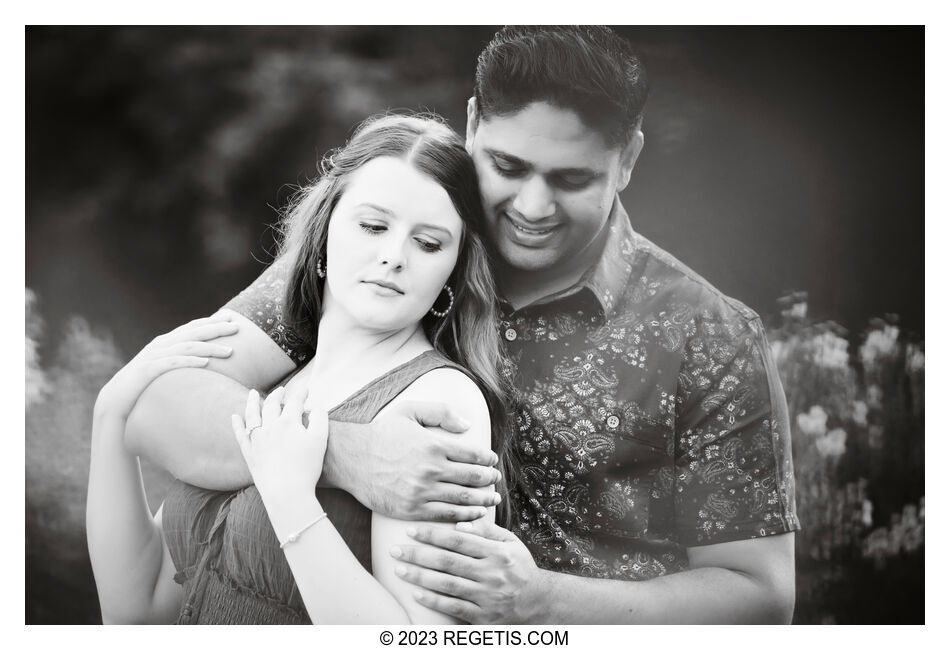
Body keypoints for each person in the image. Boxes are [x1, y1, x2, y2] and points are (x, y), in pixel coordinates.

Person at [125, 26, 800, 624]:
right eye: (508, 167)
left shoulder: (708, 334)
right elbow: (160, 406)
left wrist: (543, 602)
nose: (533, 206)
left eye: (571, 179)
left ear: (627, 159)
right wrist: (345, 454)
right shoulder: (393, 246)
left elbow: (760, 595)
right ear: (474, 124)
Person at [87, 114, 510, 624]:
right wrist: (110, 420)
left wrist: (292, 501)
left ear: (453, 271)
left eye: (428, 243)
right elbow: (136, 613)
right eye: (373, 226)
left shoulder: (440, 403)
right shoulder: (278, 385)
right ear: (325, 227)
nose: (393, 256)